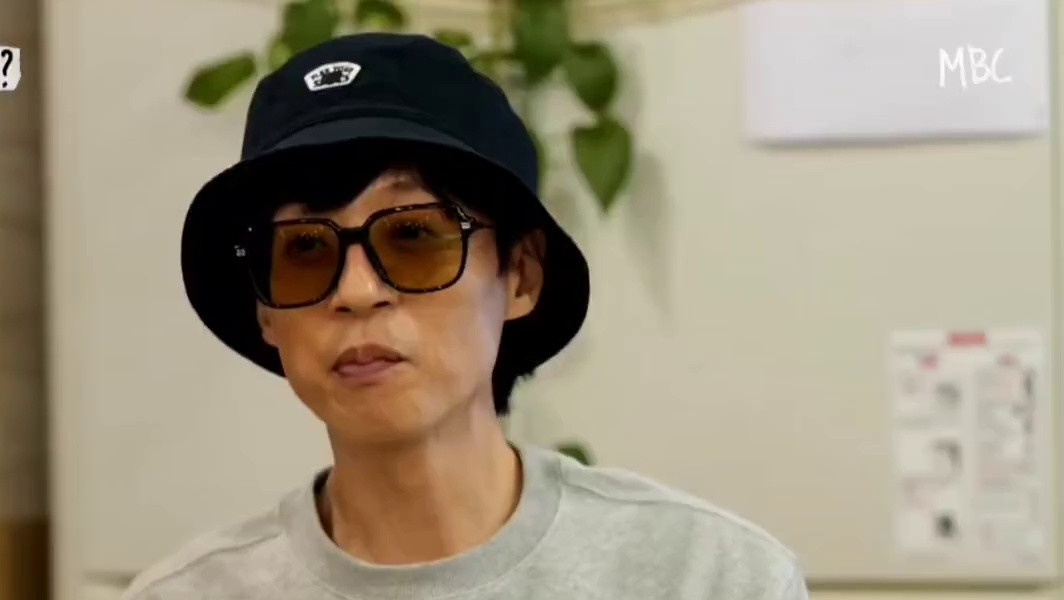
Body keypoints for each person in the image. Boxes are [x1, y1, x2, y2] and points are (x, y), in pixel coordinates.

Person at [124, 33, 807, 600]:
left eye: (412, 235)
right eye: (304, 249)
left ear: (521, 276)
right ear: (265, 312)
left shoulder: (709, 577)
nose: (356, 291)